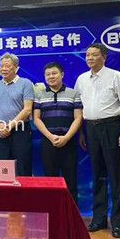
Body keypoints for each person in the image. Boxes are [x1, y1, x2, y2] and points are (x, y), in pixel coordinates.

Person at [75, 43, 120, 238]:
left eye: (94, 55)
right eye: (87, 55)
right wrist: (81, 133)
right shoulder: (82, 79)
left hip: (111, 127)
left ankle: (117, 223)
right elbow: (78, 108)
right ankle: (99, 219)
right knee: (98, 175)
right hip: (90, 129)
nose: (89, 58)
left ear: (104, 57)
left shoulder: (115, 76)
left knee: (116, 176)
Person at [33, 62, 82, 202]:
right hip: (48, 142)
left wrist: (66, 138)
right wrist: (50, 136)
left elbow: (78, 118)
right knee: (50, 180)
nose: (51, 77)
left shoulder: (73, 93)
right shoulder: (39, 95)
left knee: (71, 180)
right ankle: (53, 211)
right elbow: (36, 119)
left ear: (62, 74)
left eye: (54, 73)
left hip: (69, 142)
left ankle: (72, 213)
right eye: (47, 74)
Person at [0, 52, 34, 176]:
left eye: (8, 66)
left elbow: (27, 109)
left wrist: (9, 127)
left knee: (22, 167)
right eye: (1, 66)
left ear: (16, 68)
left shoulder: (26, 83)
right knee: (3, 169)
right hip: (0, 132)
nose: (4, 69)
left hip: (20, 131)